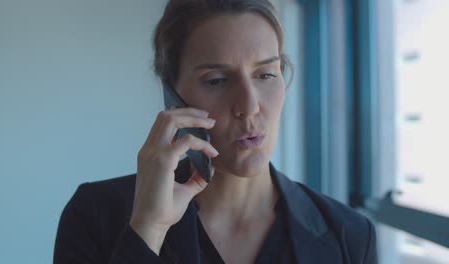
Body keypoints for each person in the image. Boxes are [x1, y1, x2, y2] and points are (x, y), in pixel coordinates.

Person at [53, 0, 378, 263]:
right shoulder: (95, 215)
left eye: (265, 75)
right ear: (173, 96)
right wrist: (148, 230)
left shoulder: (349, 236)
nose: (249, 107)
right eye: (217, 81)